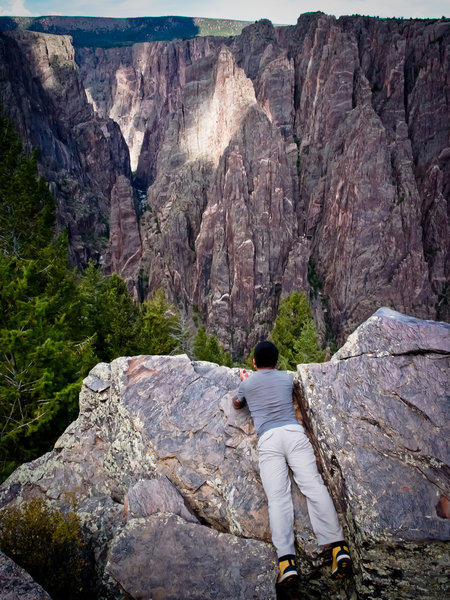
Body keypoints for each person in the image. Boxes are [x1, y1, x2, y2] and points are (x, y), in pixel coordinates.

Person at [232, 340, 351, 584]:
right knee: (314, 487)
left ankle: (287, 562)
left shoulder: (248, 383)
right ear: (276, 362)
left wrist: (245, 381)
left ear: (254, 363)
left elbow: (236, 404)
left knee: (278, 499)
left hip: (269, 440)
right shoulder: (286, 378)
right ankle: (339, 548)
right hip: (294, 433)